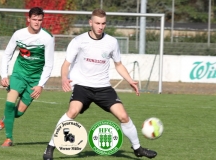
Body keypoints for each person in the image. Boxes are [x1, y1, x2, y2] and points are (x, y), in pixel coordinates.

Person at [43, 9, 157, 159]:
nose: (100, 26)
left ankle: (137, 148)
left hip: (103, 87)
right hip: (82, 86)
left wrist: (130, 80)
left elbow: (118, 65)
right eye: (97, 23)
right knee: (72, 112)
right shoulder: (79, 41)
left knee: (123, 116)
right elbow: (66, 64)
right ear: (90, 23)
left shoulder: (112, 42)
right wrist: (64, 78)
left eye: (103, 23)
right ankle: (50, 147)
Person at [0, 7, 55, 147]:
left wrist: (41, 85)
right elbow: (7, 54)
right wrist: (4, 75)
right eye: (34, 19)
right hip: (19, 74)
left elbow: (49, 65)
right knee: (10, 103)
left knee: (19, 113)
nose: (37, 22)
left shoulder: (48, 38)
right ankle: (8, 139)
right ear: (28, 19)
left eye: (40, 20)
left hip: (35, 79)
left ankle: (5, 119)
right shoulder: (18, 34)